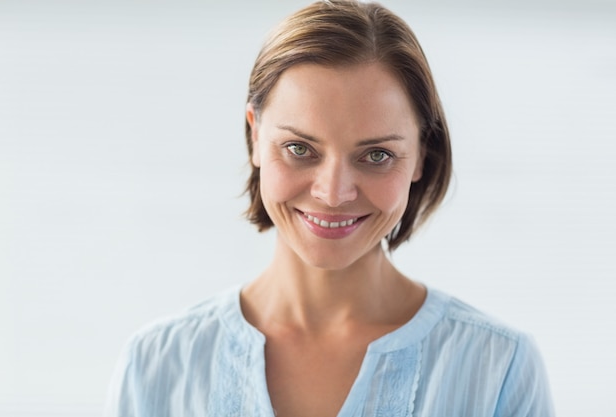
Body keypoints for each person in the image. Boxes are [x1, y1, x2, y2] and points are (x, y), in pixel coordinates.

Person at [104, 1, 555, 416]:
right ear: (256, 135)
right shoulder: (157, 367)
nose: (334, 193)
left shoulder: (498, 368)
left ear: (421, 155)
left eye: (376, 155)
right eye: (300, 148)